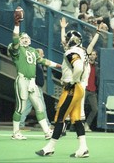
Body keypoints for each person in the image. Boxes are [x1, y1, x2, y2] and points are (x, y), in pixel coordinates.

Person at [35, 17, 102, 157]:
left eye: (66, 39)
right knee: (77, 119)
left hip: (72, 87)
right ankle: (83, 148)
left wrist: (72, 80)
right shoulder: (81, 51)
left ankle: (50, 147)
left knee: (60, 116)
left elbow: (77, 66)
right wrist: (63, 29)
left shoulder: (71, 52)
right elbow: (73, 52)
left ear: (70, 41)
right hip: (79, 88)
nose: (64, 41)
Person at [8, 7, 61, 140]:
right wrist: (16, 25)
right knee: (20, 107)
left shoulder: (33, 50)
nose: (25, 39)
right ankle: (15, 132)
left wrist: (58, 65)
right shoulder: (17, 49)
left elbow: (43, 61)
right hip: (22, 80)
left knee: (39, 107)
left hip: (32, 81)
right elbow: (14, 40)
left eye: (27, 37)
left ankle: (46, 131)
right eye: (23, 38)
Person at [19, 48, 51, 129]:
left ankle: (20, 124)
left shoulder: (38, 63)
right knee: (41, 106)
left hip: (35, 87)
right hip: (35, 87)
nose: (43, 55)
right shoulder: (34, 63)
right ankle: (47, 124)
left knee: (27, 107)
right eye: (41, 53)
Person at [84, 49, 99, 132]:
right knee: (79, 108)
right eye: (91, 54)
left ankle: (86, 125)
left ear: (96, 56)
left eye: (94, 54)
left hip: (93, 91)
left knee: (95, 109)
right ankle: (76, 126)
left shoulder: (97, 66)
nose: (92, 56)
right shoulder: (85, 65)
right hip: (84, 89)